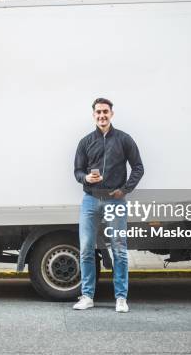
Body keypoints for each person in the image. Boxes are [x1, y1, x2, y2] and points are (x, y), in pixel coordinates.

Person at [72, 97, 144, 313]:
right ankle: (87, 296)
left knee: (119, 250)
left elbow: (138, 167)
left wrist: (125, 189)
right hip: (91, 200)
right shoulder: (85, 142)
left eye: (105, 112)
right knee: (86, 249)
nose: (102, 115)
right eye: (98, 112)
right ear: (93, 115)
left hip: (115, 200)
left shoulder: (124, 139)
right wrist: (86, 178)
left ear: (111, 114)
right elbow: (77, 171)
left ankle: (121, 298)